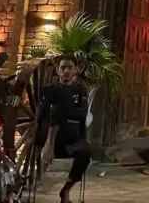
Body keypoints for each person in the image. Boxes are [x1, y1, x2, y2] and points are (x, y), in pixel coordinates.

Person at [39, 55, 92, 203]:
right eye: (63, 67)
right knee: (57, 111)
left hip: (73, 137)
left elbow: (82, 114)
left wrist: (63, 112)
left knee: (85, 153)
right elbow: (43, 115)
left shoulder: (80, 90)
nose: (66, 71)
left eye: (70, 67)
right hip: (52, 138)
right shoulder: (49, 90)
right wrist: (67, 112)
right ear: (57, 70)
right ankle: (49, 145)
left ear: (76, 70)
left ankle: (66, 189)